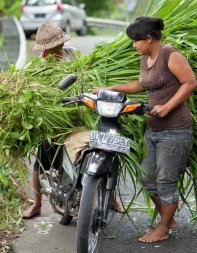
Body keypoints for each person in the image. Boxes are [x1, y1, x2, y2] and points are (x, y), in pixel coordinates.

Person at [91, 16, 197, 243]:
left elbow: (190, 83)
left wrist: (167, 107)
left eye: (135, 41)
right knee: (148, 179)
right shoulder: (146, 58)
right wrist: (109, 89)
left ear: (148, 39)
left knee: (165, 182)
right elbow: (140, 84)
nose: (133, 45)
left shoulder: (170, 55)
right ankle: (167, 219)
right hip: (154, 129)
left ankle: (163, 228)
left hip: (176, 131)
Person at [23, 22, 124, 218]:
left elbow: (84, 75)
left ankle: (109, 197)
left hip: (78, 114)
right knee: (41, 162)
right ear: (45, 49)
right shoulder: (37, 68)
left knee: (102, 148)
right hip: (52, 121)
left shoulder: (72, 54)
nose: (58, 49)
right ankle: (36, 204)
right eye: (53, 47)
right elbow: (31, 91)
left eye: (59, 45)